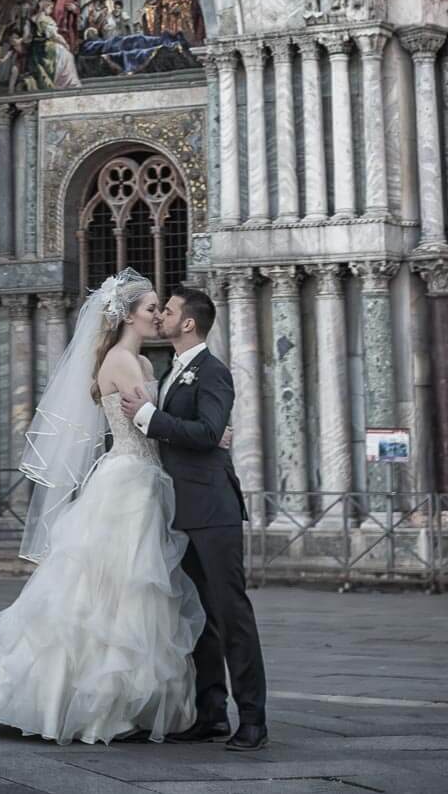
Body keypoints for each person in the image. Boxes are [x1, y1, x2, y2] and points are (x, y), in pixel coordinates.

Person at [0, 271, 204, 744]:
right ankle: (102, 708)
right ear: (128, 315)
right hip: (129, 479)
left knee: (130, 589)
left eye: (159, 308)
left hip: (139, 476)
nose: (158, 315)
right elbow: (150, 425)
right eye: (151, 307)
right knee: (122, 588)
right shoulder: (123, 362)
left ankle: (122, 703)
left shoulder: (136, 362)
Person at [121, 285, 268, 751]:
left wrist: (149, 416)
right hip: (178, 509)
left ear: (188, 323)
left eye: (168, 310)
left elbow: (207, 433)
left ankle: (253, 720)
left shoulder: (213, 372)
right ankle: (211, 713)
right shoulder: (169, 371)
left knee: (231, 615)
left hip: (213, 510)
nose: (160, 315)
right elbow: (203, 434)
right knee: (200, 617)